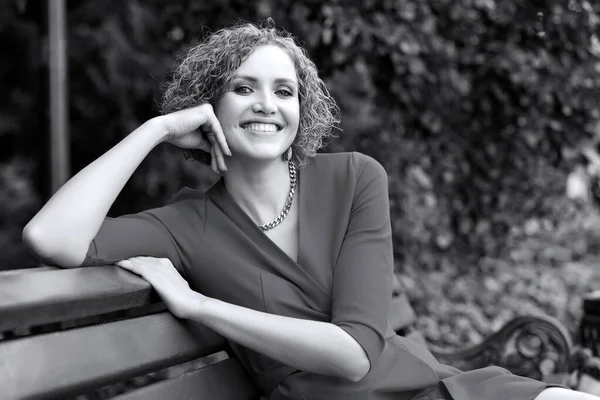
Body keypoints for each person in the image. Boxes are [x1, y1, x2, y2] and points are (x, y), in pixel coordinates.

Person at [22, 20, 598, 400]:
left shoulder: (353, 178)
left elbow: (353, 353)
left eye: (284, 90)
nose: (267, 105)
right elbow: (50, 237)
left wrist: (199, 306)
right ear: (209, 107)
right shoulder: (183, 225)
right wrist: (154, 130)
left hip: (436, 390)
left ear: (303, 108)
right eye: (244, 89)